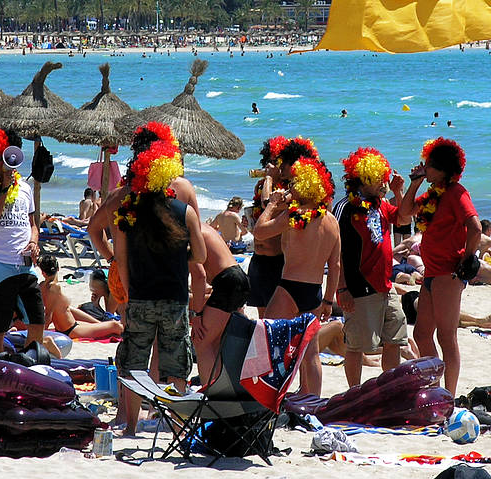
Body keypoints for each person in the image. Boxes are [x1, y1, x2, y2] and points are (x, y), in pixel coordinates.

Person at [112, 128, 206, 436]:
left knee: (133, 363)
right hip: (175, 299)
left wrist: (126, 293)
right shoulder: (185, 211)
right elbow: (201, 255)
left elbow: (122, 259)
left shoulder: (129, 211)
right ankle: (177, 424)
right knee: (176, 364)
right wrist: (177, 258)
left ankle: (129, 426)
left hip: (140, 296)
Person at [398, 138, 480, 395]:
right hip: (431, 273)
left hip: (448, 273)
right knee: (422, 335)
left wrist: (467, 258)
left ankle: (450, 395)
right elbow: (404, 212)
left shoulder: (457, 193)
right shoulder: (433, 194)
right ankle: (435, 388)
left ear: (445, 170)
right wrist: (415, 182)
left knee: (446, 337)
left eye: (431, 166)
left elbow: (475, 227)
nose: (426, 167)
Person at [253, 152, 340, 395]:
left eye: (293, 184)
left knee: (267, 341)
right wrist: (328, 301)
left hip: (289, 287)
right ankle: (312, 400)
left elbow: (259, 232)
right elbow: (335, 267)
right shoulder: (331, 221)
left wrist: (271, 204)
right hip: (314, 292)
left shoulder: (294, 217)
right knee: (311, 354)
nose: (290, 187)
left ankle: (266, 395)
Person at [333, 147, 409, 386]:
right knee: (356, 345)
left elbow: (404, 218)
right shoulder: (346, 207)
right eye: (378, 178)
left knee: (394, 339)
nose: (383, 182)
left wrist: (400, 191)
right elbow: (336, 251)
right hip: (358, 287)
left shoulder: (382, 204)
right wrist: (341, 287)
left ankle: (389, 389)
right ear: (363, 179)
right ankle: (354, 391)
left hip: (387, 286)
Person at [0, 129, 45, 359]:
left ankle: (30, 365)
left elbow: (33, 223)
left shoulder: (25, 188)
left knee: (37, 321)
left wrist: (34, 241)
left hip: (24, 266)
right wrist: (3, 188)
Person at [246, 136, 302, 319]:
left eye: (276, 162)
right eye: (269, 161)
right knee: (262, 317)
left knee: (275, 318)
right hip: (257, 259)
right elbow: (261, 213)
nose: (271, 165)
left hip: (276, 261)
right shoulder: (263, 186)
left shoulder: (289, 191)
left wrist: (269, 178)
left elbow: (267, 204)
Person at [189, 221, 250, 382]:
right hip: (238, 278)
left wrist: (197, 314)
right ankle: (217, 385)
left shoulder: (189, 231)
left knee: (201, 341)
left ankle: (209, 393)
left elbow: (199, 276)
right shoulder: (205, 227)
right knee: (216, 341)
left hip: (228, 282)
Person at [37, 254, 122, 340]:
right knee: (114, 326)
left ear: (43, 273)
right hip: (71, 330)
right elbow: (48, 315)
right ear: (58, 268)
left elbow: (53, 311)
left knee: (104, 324)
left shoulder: (41, 286)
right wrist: (41, 335)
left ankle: (100, 324)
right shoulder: (55, 287)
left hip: (68, 327)